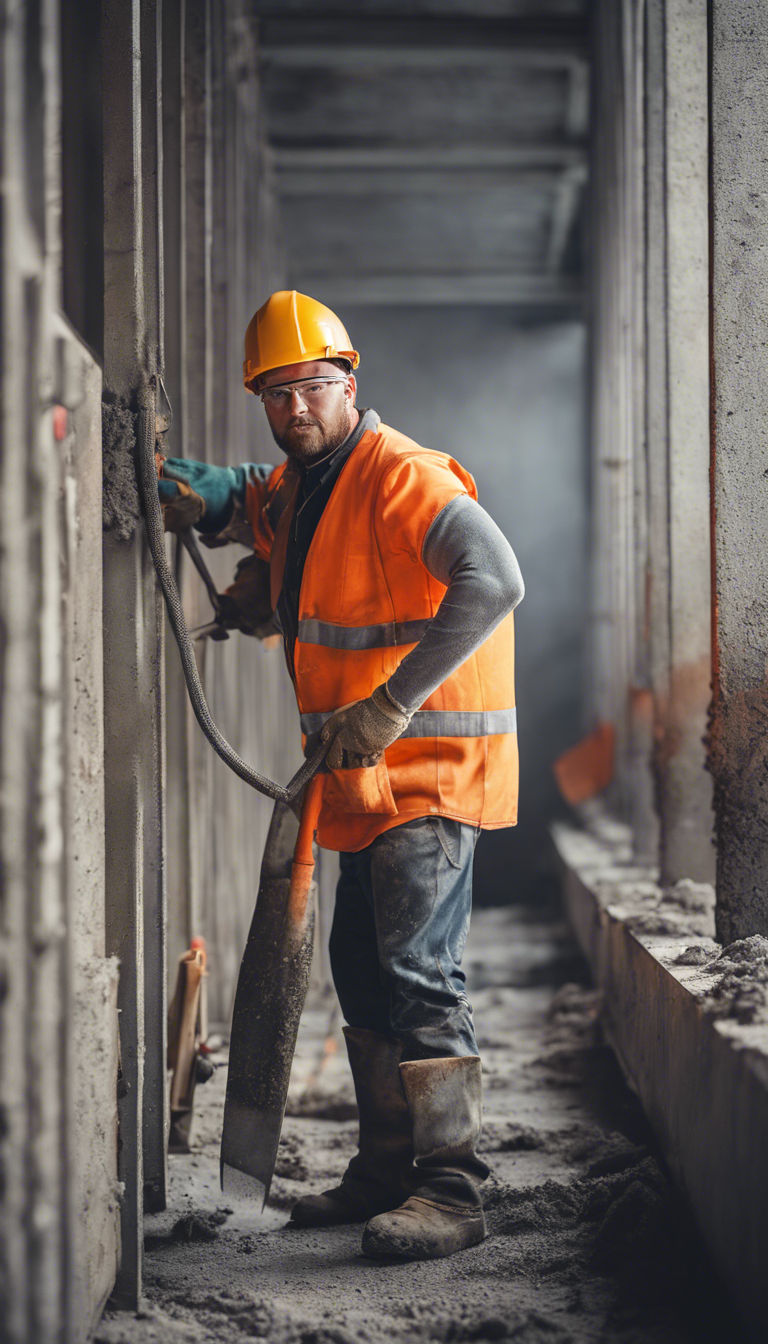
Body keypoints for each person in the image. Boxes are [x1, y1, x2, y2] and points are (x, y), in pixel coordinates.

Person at [158, 290, 524, 1261]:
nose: (295, 411)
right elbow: (255, 504)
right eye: (275, 396)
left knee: (417, 972)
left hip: (430, 764)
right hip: (357, 780)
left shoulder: (402, 475)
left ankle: (453, 1187)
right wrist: (199, 502)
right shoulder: (304, 486)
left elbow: (496, 578)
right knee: (361, 971)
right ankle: (385, 1170)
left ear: (349, 384)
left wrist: (392, 704)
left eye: (313, 389)